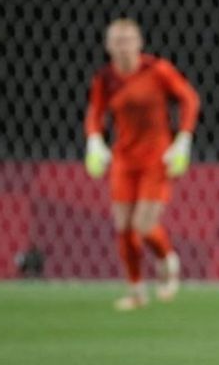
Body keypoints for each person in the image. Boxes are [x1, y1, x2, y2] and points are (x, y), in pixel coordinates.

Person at [84, 18, 200, 310]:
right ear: (108, 46)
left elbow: (189, 99)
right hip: (124, 158)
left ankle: (167, 258)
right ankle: (136, 290)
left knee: (144, 225)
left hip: (156, 157)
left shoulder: (157, 70)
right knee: (123, 227)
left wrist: (183, 138)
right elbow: (95, 113)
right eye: (117, 41)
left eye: (128, 40)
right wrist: (94, 140)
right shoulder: (106, 79)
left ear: (139, 43)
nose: (123, 46)